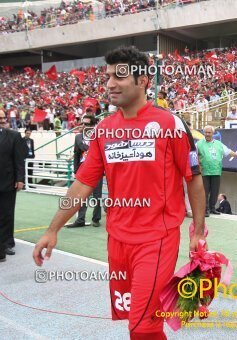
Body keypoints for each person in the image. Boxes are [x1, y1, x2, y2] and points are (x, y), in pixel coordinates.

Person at [33, 46, 206, 339]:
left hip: (157, 240)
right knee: (137, 321)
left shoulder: (170, 124)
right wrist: (53, 229)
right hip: (117, 242)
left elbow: (194, 179)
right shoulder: (103, 129)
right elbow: (83, 184)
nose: (110, 84)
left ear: (143, 82)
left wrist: (198, 231)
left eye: (120, 76)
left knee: (142, 325)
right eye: (109, 76)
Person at [196, 125, 237, 217]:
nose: (207, 134)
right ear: (203, 133)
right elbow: (193, 155)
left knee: (215, 192)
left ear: (213, 133)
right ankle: (205, 209)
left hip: (216, 171)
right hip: (204, 172)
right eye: (206, 132)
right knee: (205, 192)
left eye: (209, 132)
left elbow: (229, 152)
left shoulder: (219, 144)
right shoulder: (199, 144)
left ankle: (212, 208)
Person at [67, 114, 103, 228]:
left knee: (97, 195)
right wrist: (75, 170)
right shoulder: (78, 137)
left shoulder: (99, 136)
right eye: (82, 123)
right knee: (81, 196)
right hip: (83, 168)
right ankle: (80, 219)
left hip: (96, 168)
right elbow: (76, 154)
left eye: (87, 124)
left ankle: (96, 219)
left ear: (93, 125)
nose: (83, 126)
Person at [0, 110, 26, 261]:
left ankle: (7, 243)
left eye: (3, 117)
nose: (2, 120)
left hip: (8, 182)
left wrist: (20, 179)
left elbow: (19, 160)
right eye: (0, 118)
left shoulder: (14, 136)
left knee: (7, 213)